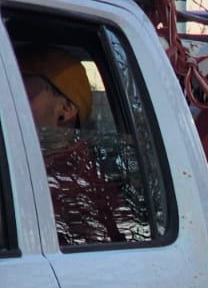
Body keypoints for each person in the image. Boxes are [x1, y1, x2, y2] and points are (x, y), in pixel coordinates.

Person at [17, 45, 127, 246]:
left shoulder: (76, 187)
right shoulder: (27, 164)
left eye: (19, 86)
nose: (6, 98)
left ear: (65, 110)